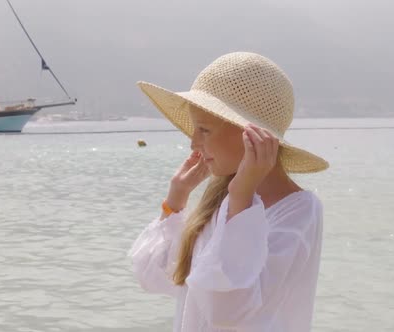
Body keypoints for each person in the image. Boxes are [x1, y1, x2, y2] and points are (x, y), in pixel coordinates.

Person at [128, 52, 329, 332]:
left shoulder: (298, 211)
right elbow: (154, 277)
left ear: (250, 135)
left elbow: (227, 311)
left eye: (204, 130)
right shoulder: (223, 201)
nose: (193, 144)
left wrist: (241, 198)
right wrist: (175, 200)